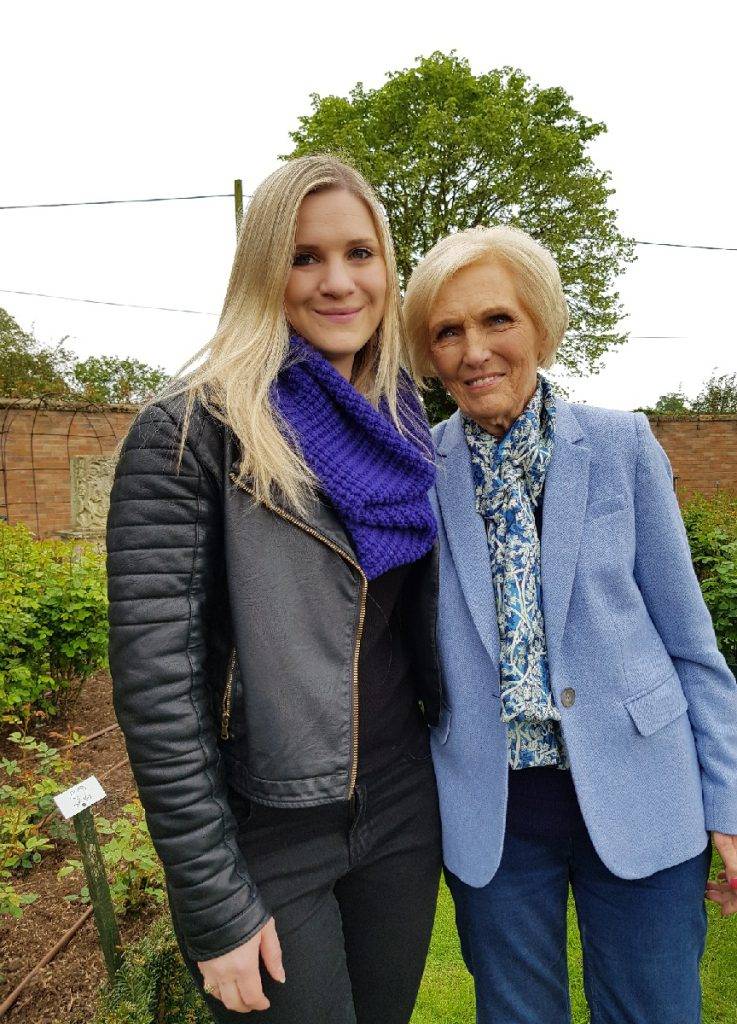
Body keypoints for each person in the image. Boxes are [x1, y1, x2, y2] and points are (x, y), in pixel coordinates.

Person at [107, 154, 443, 1024]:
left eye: (359, 254)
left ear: (386, 267)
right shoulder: (192, 431)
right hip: (270, 826)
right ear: (263, 270)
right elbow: (159, 692)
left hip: (402, 811)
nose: (338, 282)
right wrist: (213, 903)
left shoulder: (405, 425)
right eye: (304, 258)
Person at [402, 224, 737, 1024]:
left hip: (641, 787)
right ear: (428, 351)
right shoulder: (417, 469)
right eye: (447, 332)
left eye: (496, 321)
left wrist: (727, 803)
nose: (473, 350)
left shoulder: (622, 445)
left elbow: (691, 644)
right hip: (495, 810)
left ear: (540, 327)